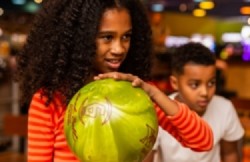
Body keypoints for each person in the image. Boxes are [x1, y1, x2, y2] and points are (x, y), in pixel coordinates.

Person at [16, 0, 213, 161]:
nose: (119, 49)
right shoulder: (49, 99)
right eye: (107, 37)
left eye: (126, 37)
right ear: (81, 39)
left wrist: (153, 93)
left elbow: (203, 141)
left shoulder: (137, 93)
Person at [147, 42, 244, 162]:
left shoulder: (225, 108)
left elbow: (230, 154)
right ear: (174, 83)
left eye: (211, 83)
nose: (205, 92)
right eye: (194, 85)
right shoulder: (158, 112)